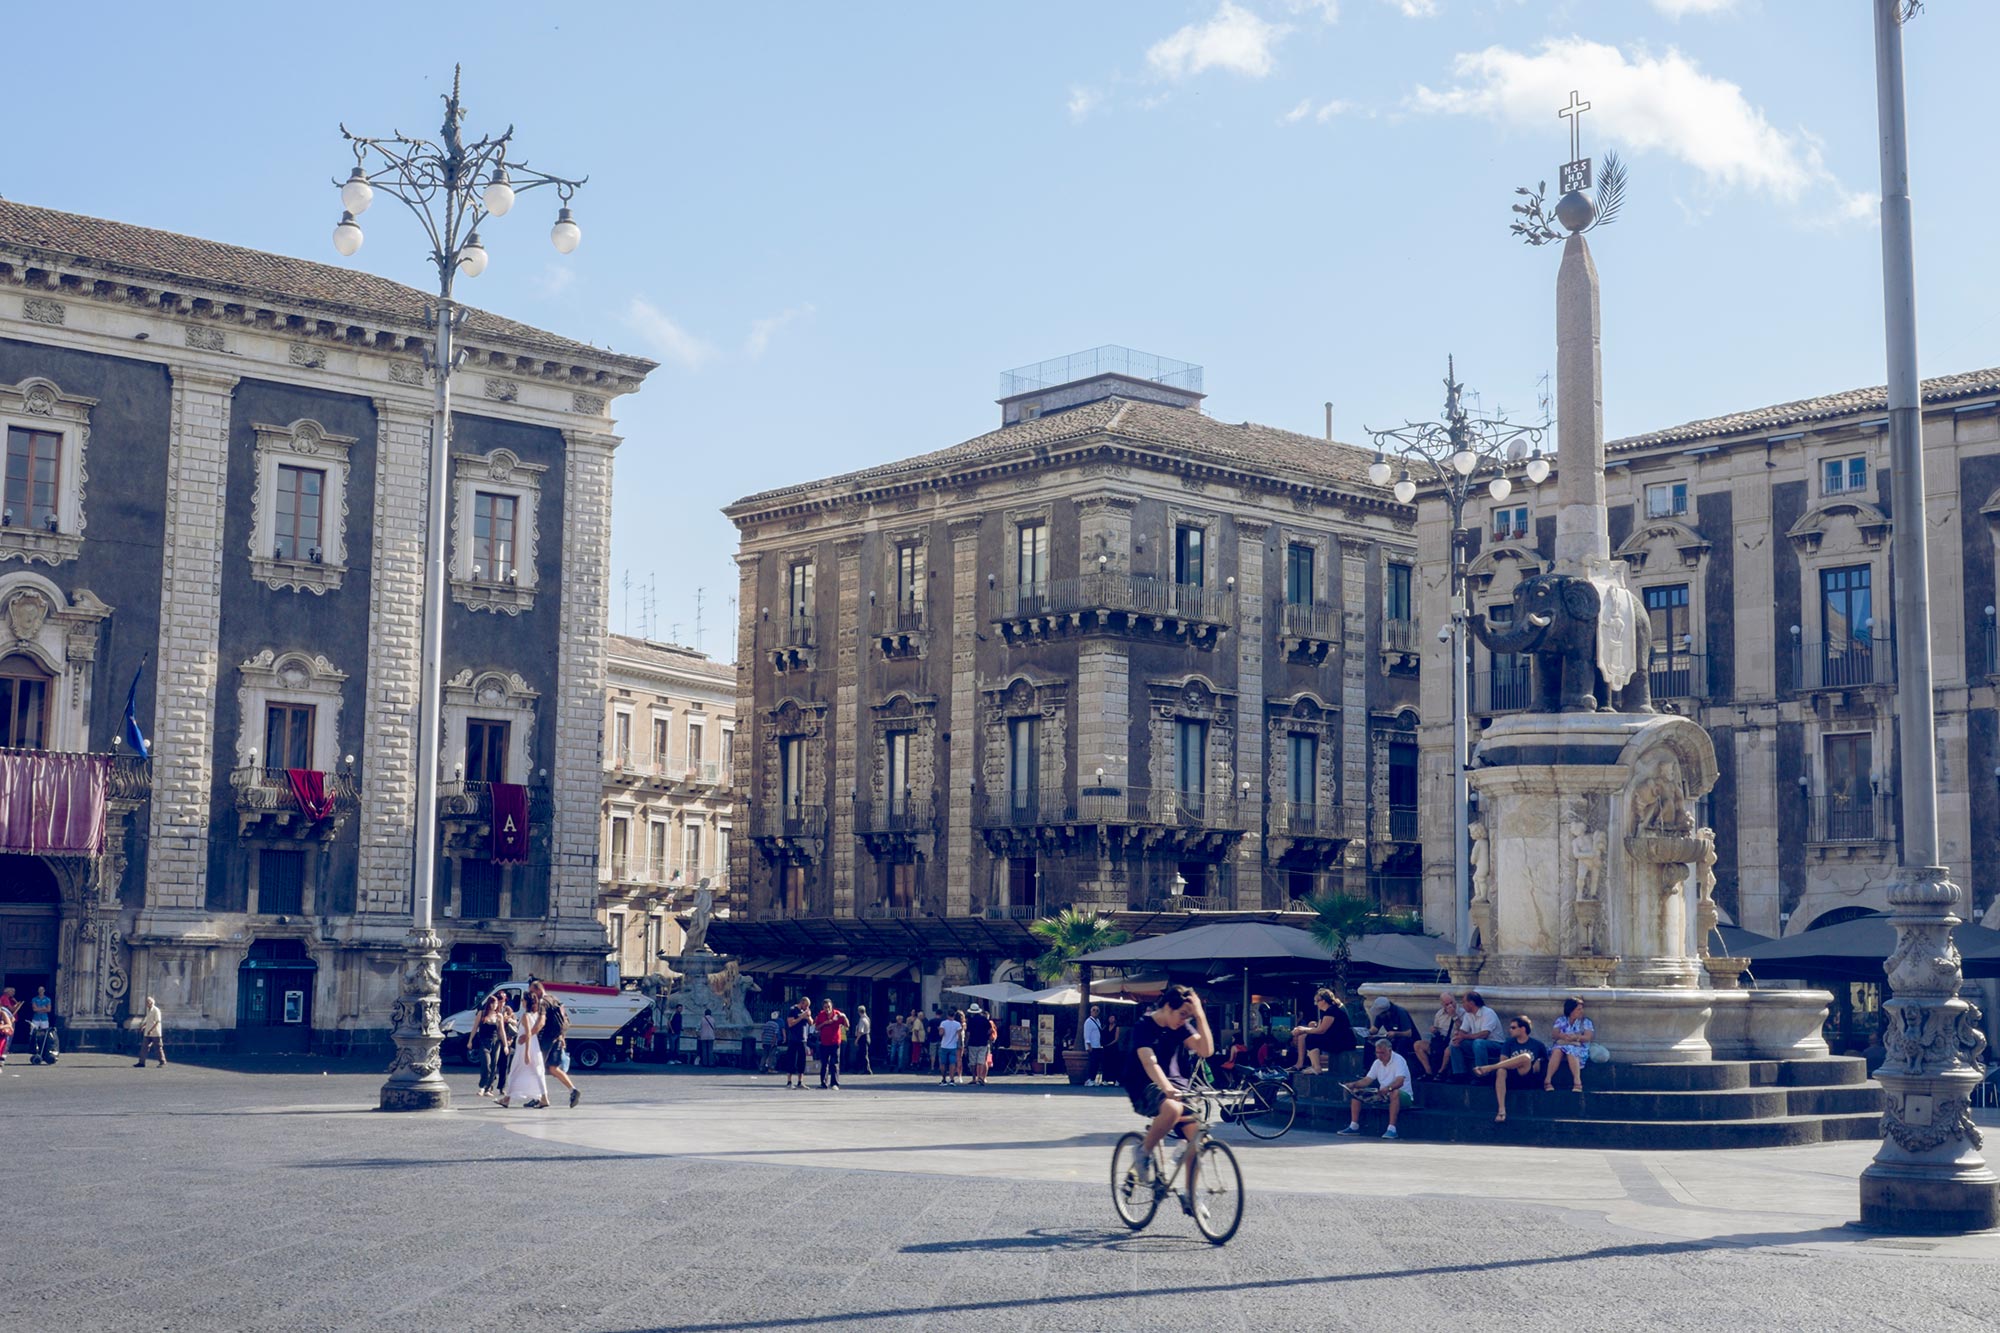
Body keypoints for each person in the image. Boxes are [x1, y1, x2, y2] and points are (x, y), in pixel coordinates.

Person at [1118, 984, 1216, 1215]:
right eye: (1182, 1014)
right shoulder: (1144, 1025)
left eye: (1188, 1016)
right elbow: (1149, 1062)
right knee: (1171, 1108)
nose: (1184, 1020)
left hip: (1175, 1084)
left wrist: (1199, 1015)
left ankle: (1191, 1194)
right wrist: (1167, 1088)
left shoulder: (1180, 1026)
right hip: (1142, 1084)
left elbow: (1206, 1050)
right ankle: (1142, 1151)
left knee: (1197, 1140)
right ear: (1167, 1007)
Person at [1473, 1014, 1549, 1122]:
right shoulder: (1508, 1043)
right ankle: (1501, 1110)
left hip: (1527, 1077)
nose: (1510, 1030)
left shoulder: (1537, 1045)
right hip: (1511, 1077)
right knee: (1500, 1070)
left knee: (1526, 1057)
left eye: (1513, 1027)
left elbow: (1546, 1061)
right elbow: (1503, 1062)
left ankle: (1489, 1068)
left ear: (1523, 1029)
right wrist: (1513, 1064)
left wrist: (1539, 1060)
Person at [1339, 1038, 1414, 1138]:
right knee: (1356, 1092)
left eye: (1382, 1053)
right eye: (1377, 1053)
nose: (1379, 1056)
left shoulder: (1399, 1060)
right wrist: (1353, 1085)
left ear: (1390, 1050)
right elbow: (1367, 1080)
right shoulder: (1377, 1063)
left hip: (1402, 1095)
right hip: (1383, 1094)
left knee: (1394, 1092)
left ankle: (1392, 1129)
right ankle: (1354, 1125)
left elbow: (1400, 1081)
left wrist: (1388, 1088)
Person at [498, 987, 548, 1109]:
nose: (521, 1002)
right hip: (533, 1046)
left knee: (515, 1071)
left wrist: (526, 1053)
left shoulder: (526, 1015)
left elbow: (529, 1033)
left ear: (526, 1002)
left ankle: (507, 1099)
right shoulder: (534, 1015)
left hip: (525, 1048)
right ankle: (543, 1097)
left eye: (523, 1000)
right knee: (537, 1072)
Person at [1286, 988, 1354, 1075]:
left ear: (1324, 1001)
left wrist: (1303, 1029)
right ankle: (1300, 1064)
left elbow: (1322, 1030)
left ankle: (1317, 1068)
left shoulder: (1332, 1010)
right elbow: (1319, 1027)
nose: (1316, 1004)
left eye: (1317, 1001)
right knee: (1303, 1036)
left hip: (1343, 1041)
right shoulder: (1325, 1011)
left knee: (1311, 1038)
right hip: (1335, 1037)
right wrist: (1306, 1029)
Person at [537, 984, 582, 1109]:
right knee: (553, 1068)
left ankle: (540, 1098)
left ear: (537, 991)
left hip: (547, 1039)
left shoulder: (543, 1002)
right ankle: (573, 1090)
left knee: (538, 1068)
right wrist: (562, 1037)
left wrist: (530, 1034)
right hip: (557, 1037)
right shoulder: (555, 999)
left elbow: (541, 1022)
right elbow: (563, 1019)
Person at [1448, 991, 1503, 1080]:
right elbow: (1463, 1030)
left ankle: (1482, 1075)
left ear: (1471, 1003)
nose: (1462, 1005)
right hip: (1476, 1044)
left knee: (1479, 1043)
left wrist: (1464, 1037)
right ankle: (1459, 1074)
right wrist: (1458, 1036)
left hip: (1495, 1045)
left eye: (1464, 1002)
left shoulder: (1488, 1013)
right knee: (1454, 1043)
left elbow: (1484, 1035)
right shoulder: (1468, 1015)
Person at [1546, 996, 1594, 1092]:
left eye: (1581, 1009)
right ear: (1570, 1010)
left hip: (1579, 1048)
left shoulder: (1586, 1022)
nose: (1581, 1011)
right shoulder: (1561, 1020)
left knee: (1571, 1049)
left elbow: (1588, 1037)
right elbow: (1554, 1034)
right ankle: (1547, 1080)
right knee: (1556, 1050)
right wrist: (1564, 1036)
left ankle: (1577, 1081)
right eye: (1578, 1009)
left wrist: (1576, 1037)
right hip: (1562, 1046)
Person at [1366, 996, 1422, 1070]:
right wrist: (1367, 1033)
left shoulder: (1401, 1012)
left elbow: (1408, 1033)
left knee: (1402, 1042)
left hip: (1407, 1039)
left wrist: (1395, 1034)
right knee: (1369, 1043)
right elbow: (1375, 1029)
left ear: (1387, 1012)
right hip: (1392, 1038)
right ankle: (1368, 1069)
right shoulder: (1381, 1015)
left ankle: (1399, 1069)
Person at [469, 993, 508, 1098]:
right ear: (488, 1004)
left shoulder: (499, 1016)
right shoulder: (481, 1014)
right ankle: (482, 1087)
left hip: (496, 1042)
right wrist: (470, 1041)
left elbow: (502, 1032)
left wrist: (505, 1045)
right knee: (486, 1065)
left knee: (494, 1066)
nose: (494, 1005)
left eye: (495, 1003)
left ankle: (488, 1088)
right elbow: (475, 1028)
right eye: (492, 1003)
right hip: (484, 1041)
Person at [1419, 991, 1459, 1079]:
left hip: (1454, 1040)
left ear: (1454, 1000)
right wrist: (1434, 1030)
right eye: (1446, 1004)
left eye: (1451, 1002)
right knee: (1418, 1045)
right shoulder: (1439, 1014)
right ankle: (1429, 1072)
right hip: (1441, 1040)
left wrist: (1454, 1015)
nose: (1449, 1006)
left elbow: (1464, 1028)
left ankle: (1441, 1072)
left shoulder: (1462, 1012)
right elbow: (1436, 1029)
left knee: (1450, 1048)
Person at [814, 999, 849, 1089]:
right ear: (823, 1007)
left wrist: (844, 1016)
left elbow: (847, 1026)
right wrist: (825, 1023)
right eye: (825, 1007)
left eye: (828, 1007)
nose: (827, 1009)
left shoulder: (837, 1014)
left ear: (832, 1006)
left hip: (835, 1042)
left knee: (834, 1063)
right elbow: (817, 1028)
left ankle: (834, 1083)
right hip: (824, 1042)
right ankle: (823, 1083)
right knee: (824, 1063)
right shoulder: (821, 1015)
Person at [783, 999, 813, 1089]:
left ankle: (800, 1081)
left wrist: (808, 1016)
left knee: (802, 1061)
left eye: (808, 1006)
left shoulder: (805, 1011)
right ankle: (789, 1081)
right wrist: (801, 1017)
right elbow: (790, 1024)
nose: (807, 1007)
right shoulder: (793, 1010)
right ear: (801, 1003)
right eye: (806, 1005)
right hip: (793, 1039)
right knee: (791, 1059)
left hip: (803, 1039)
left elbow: (811, 1023)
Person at [964, 1004, 994, 1086]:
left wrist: (965, 1044)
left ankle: (974, 1078)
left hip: (972, 1043)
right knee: (981, 1061)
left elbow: (968, 1034)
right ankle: (980, 1077)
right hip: (983, 1042)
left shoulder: (970, 1021)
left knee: (972, 1062)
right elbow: (991, 1030)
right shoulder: (984, 1020)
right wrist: (985, 1035)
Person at [134, 995, 166, 1068]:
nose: (146, 1004)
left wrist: (151, 1030)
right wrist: (143, 1026)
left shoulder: (156, 1010)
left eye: (148, 1002)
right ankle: (141, 1062)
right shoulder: (149, 1010)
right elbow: (148, 1020)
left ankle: (162, 1061)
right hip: (148, 1032)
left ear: (151, 1003)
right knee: (144, 1047)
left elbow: (157, 1022)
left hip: (155, 1033)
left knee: (158, 1047)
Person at [938, 1008, 963, 1085]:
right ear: (954, 1015)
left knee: (943, 1063)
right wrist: (960, 1044)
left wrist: (940, 1030)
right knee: (952, 1063)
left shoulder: (943, 1023)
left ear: (947, 1015)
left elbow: (941, 1033)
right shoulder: (957, 1024)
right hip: (953, 1046)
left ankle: (944, 1079)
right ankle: (952, 1079)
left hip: (944, 1045)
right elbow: (959, 1035)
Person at [1082, 1005, 1105, 1086]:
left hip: (1098, 1045)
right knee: (1092, 1063)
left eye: (1097, 1010)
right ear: (1091, 1011)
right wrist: (1088, 1045)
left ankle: (1092, 1079)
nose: (1095, 1012)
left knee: (1096, 1064)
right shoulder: (1088, 1022)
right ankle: (1089, 1079)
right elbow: (1086, 1035)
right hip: (1092, 1046)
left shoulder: (1098, 1021)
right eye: (1094, 1010)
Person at [851, 1004, 873, 1075]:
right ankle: (859, 1068)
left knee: (864, 1054)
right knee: (860, 1054)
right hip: (867, 1036)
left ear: (859, 1012)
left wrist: (856, 1039)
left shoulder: (862, 1020)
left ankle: (867, 1069)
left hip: (863, 1038)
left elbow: (861, 1031)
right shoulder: (867, 1018)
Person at [907, 1009, 925, 1074]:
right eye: (923, 1016)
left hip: (918, 1040)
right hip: (917, 1041)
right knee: (916, 1053)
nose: (923, 1017)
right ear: (920, 1016)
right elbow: (915, 1031)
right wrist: (918, 1039)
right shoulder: (917, 1022)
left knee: (917, 1052)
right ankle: (914, 1063)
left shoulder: (919, 1021)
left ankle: (916, 1063)